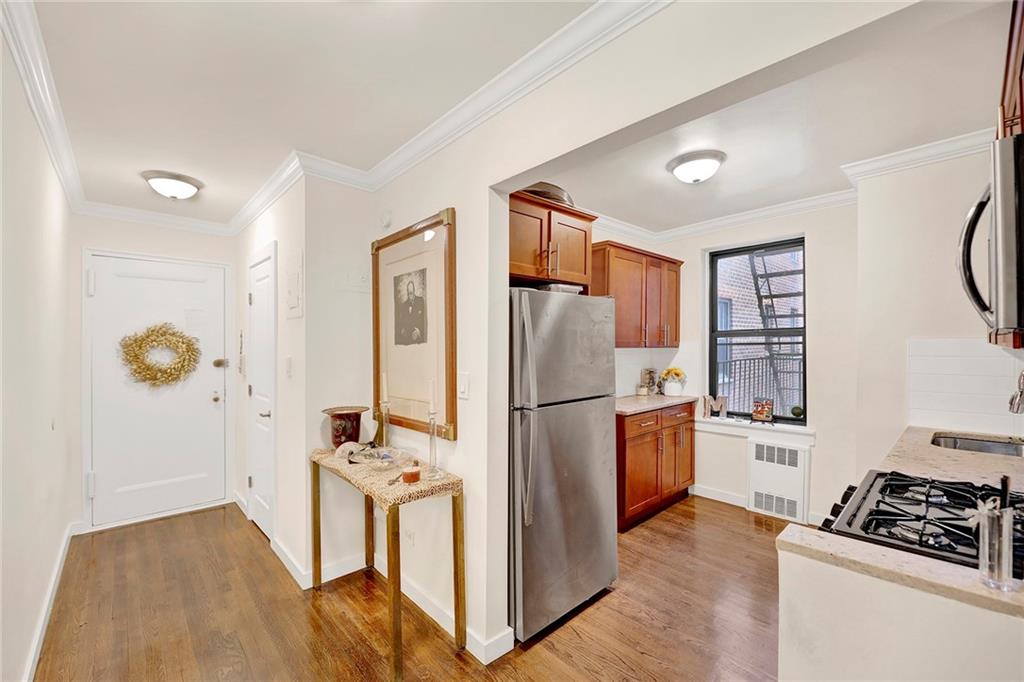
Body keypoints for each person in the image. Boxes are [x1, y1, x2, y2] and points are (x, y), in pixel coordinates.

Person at [396, 279, 426, 345]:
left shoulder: (420, 301)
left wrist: (419, 330)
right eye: (409, 293)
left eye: (411, 293)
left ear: (414, 291)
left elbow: (423, 319)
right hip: (408, 334)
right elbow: (403, 321)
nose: (410, 295)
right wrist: (404, 330)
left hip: (418, 333)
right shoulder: (404, 305)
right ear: (407, 292)